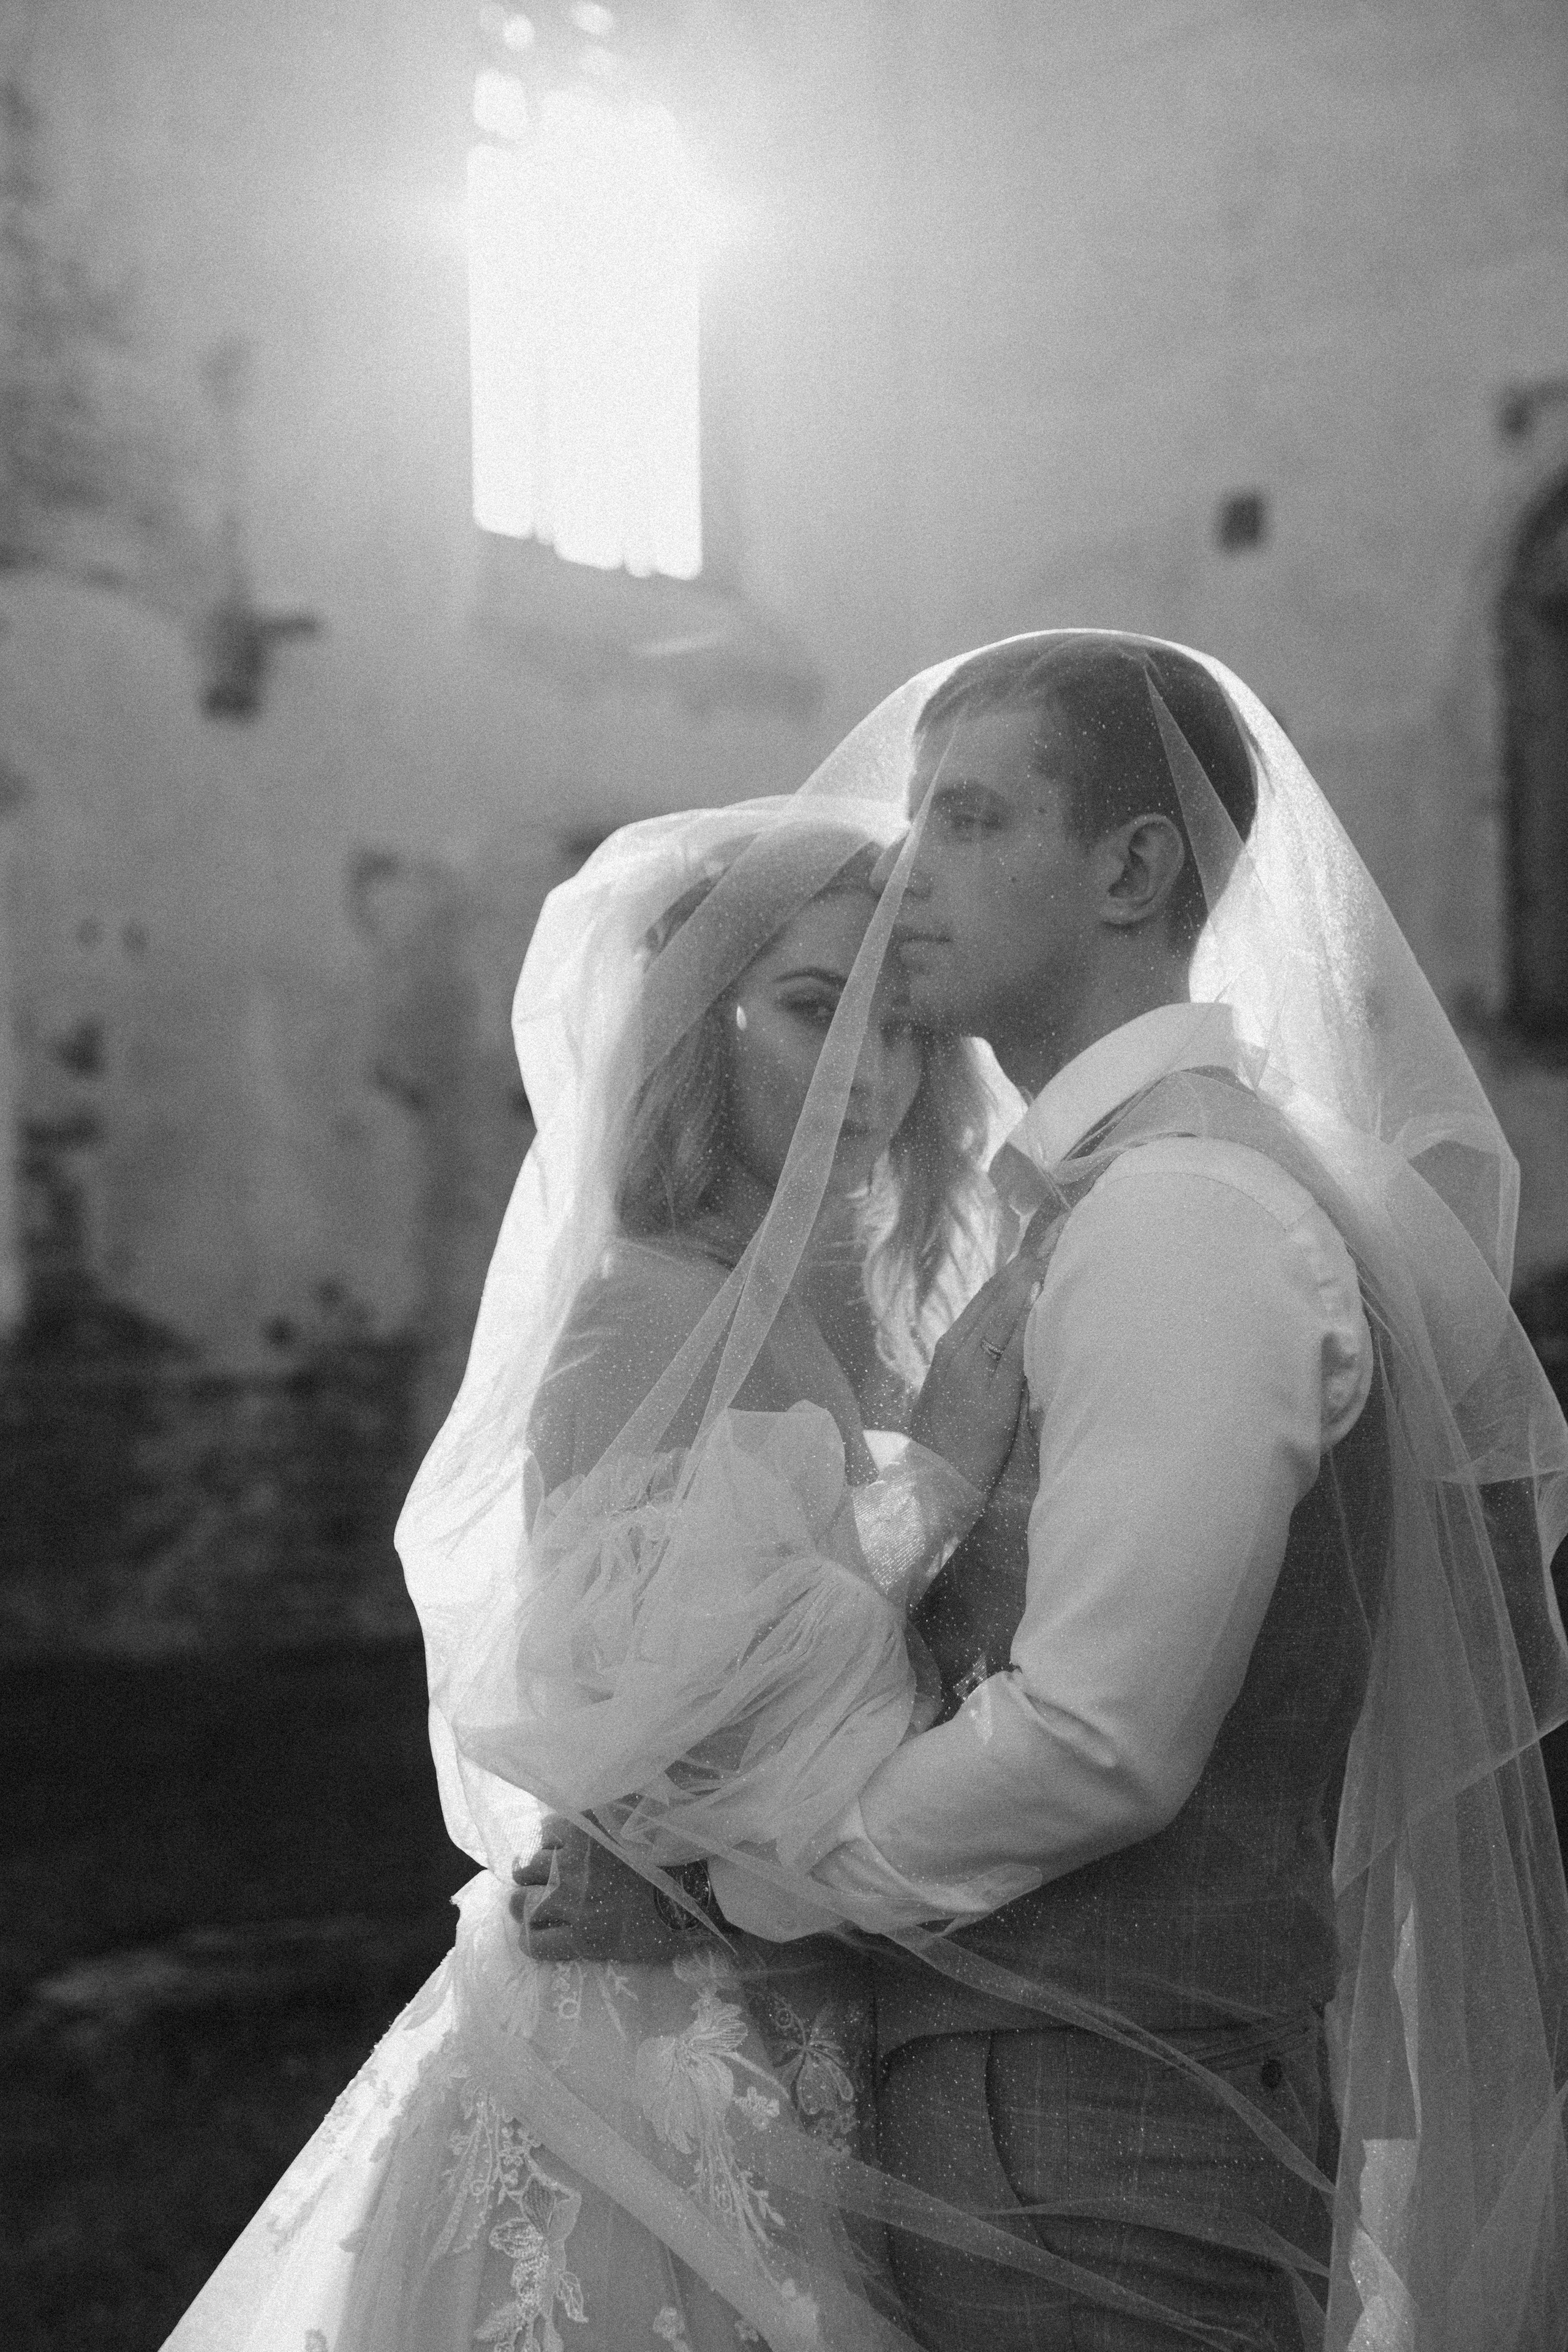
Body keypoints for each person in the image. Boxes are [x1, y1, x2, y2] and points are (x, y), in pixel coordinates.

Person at [525, 633, 1568, 2351]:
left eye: (971, 818)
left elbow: (1098, 1737)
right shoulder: (1147, 1198)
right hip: (1060, 2108)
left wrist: (741, 1880)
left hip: (1095, 2133)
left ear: (1135, 869)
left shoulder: (1180, 1218)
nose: (904, 875)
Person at [157, 804, 1041, 2352]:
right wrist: (944, 1483)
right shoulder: (646, 1303)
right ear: (700, 1032)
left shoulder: (804, 1292)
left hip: (779, 1977)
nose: (870, 1076)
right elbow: (679, 1714)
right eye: (814, 1012)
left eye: (902, 1030)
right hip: (655, 2022)